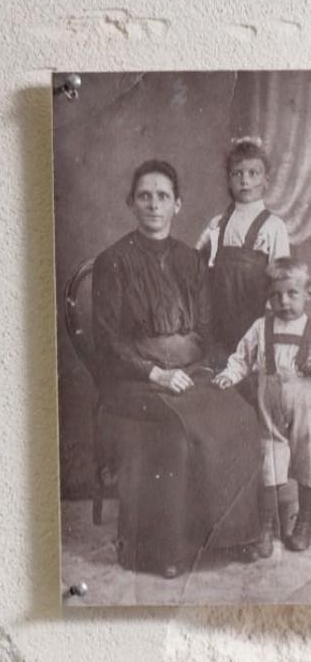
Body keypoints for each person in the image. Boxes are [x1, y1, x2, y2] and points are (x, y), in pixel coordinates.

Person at [91, 159, 262, 577]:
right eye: (145, 196)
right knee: (176, 428)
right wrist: (156, 372)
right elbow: (109, 341)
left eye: (163, 196)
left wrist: (210, 369)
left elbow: (205, 328)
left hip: (189, 368)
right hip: (134, 378)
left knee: (239, 411)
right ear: (131, 203)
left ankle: (235, 537)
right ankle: (167, 552)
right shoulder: (112, 261)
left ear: (178, 205)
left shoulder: (190, 260)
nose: (154, 205)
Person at [215, 259, 311, 556]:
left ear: (308, 293)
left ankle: (304, 524)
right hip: (269, 410)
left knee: (308, 463)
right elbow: (242, 358)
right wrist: (229, 375)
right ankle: (265, 528)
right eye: (276, 295)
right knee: (269, 463)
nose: (284, 302)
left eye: (292, 293)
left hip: (306, 410)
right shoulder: (261, 327)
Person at [196, 135, 291, 355]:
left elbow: (281, 279)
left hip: (255, 323)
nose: (245, 180)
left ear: (266, 180)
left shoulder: (274, 226)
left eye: (253, 173)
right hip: (219, 323)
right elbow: (195, 264)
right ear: (228, 180)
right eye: (237, 173)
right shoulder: (217, 223)